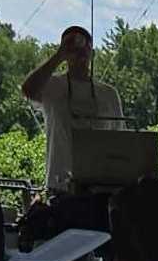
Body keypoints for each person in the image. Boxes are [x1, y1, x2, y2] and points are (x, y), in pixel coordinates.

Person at [22, 26, 124, 195]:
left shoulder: (108, 94)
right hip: (60, 184)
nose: (80, 49)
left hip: (100, 186)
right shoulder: (52, 86)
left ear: (92, 52)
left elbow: (119, 140)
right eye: (72, 43)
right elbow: (28, 90)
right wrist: (59, 55)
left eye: (85, 44)